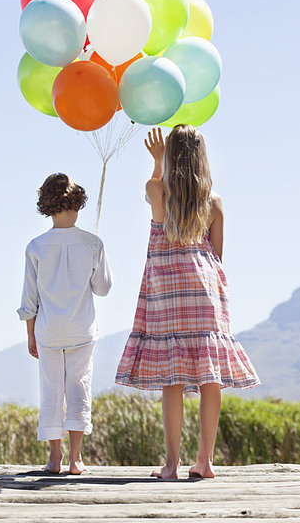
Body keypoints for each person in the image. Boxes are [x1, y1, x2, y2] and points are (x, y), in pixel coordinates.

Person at [115, 125, 260, 479]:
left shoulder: (157, 190)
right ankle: (206, 462)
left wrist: (157, 161)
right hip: (207, 289)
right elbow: (218, 254)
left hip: (168, 292)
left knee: (172, 378)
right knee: (211, 378)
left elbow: (153, 192)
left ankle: (171, 465)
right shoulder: (213, 202)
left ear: (172, 157)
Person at [17, 173, 112, 475]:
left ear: (46, 205)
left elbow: (28, 299)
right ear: (78, 203)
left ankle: (54, 459)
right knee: (78, 388)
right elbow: (103, 288)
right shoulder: (92, 243)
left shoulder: (36, 246)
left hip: (48, 331)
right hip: (82, 330)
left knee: (51, 391)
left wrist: (30, 335)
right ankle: (76, 459)